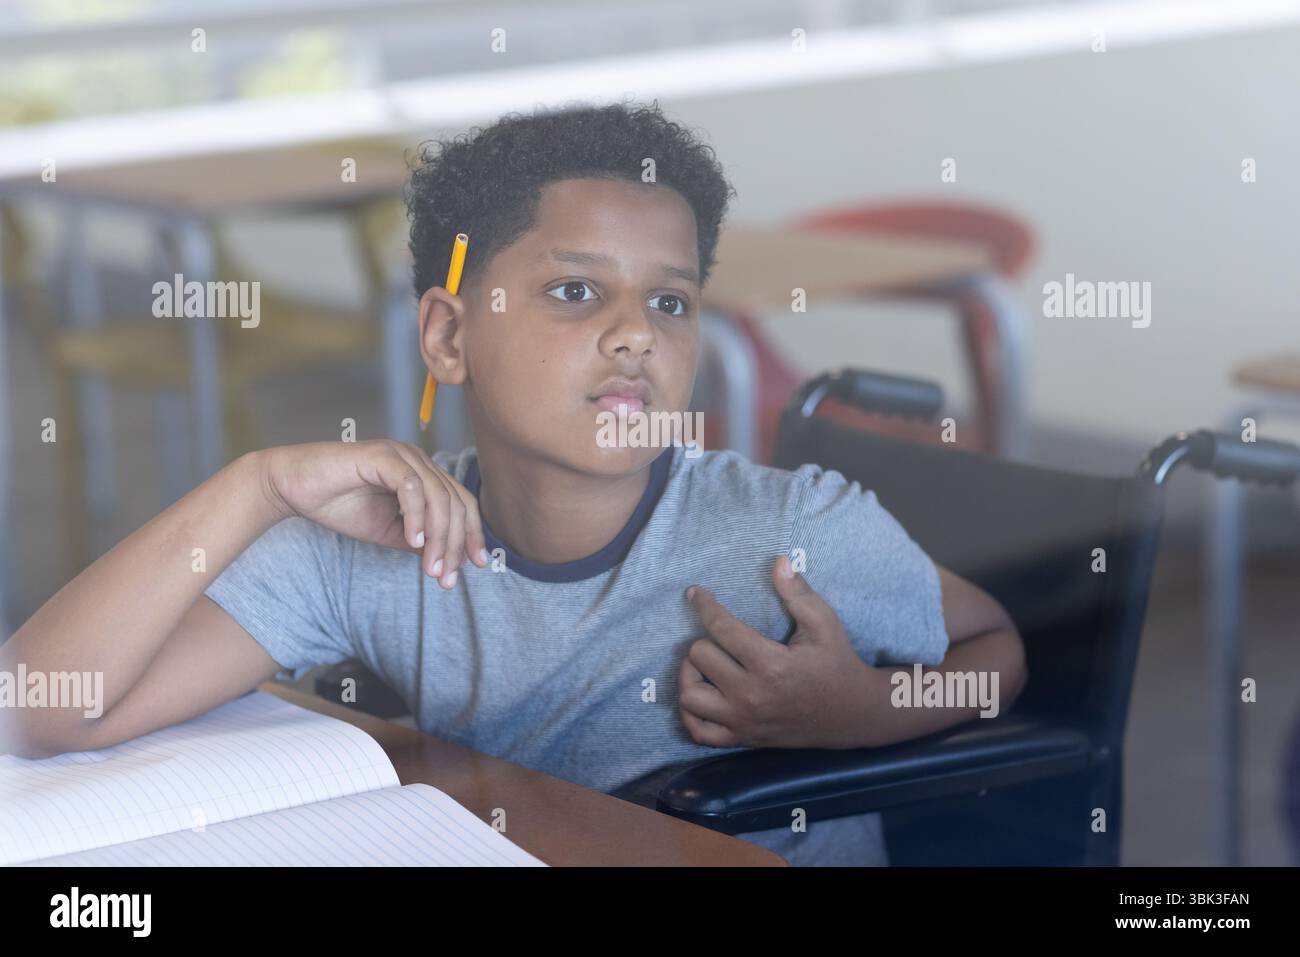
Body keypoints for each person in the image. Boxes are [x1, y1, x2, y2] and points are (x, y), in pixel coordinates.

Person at [2, 100, 1025, 865]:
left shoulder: (787, 532)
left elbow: (996, 651)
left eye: (669, 304)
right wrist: (255, 485)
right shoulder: (376, 541)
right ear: (449, 336)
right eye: (574, 291)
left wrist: (856, 712)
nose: (634, 335)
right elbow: (43, 710)